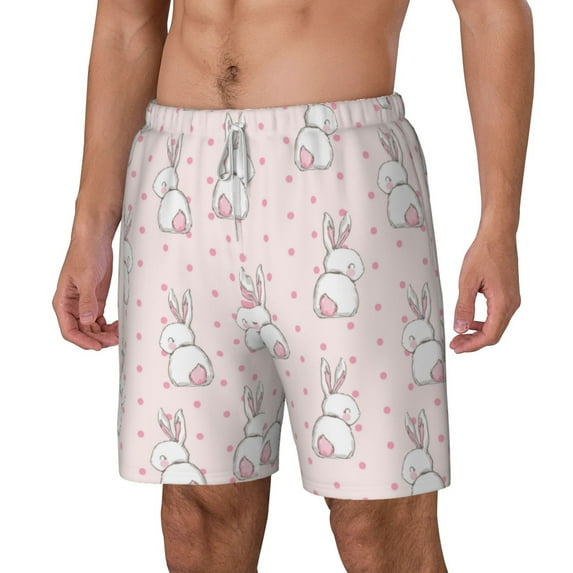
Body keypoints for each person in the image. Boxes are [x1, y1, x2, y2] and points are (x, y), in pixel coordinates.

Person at [52, 0, 534, 571]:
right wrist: (90, 225)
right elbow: (127, 23)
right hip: (176, 177)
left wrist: (500, 225)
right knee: (198, 514)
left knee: (376, 519)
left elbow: (492, 14)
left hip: (340, 174)